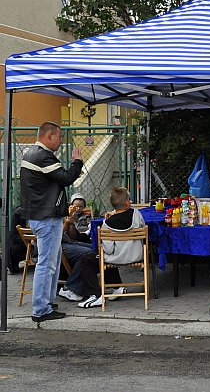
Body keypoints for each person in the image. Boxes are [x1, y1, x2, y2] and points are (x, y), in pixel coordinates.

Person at [20, 121, 83, 322]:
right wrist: (77, 162)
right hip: (47, 218)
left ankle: (47, 302)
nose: (61, 141)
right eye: (59, 137)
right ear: (49, 136)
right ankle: (40, 309)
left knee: (51, 263)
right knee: (46, 265)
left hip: (39, 216)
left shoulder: (30, 154)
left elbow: (54, 180)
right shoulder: (43, 156)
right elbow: (65, 178)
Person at [70, 187, 143, 308]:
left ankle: (95, 295)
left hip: (117, 258)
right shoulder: (136, 214)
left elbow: (108, 250)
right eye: (129, 199)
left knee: (87, 259)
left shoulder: (107, 224)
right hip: (137, 255)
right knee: (100, 256)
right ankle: (117, 287)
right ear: (126, 203)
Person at [57, 194, 94, 300]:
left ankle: (114, 285)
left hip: (69, 242)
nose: (77, 208)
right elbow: (57, 238)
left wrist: (71, 223)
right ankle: (71, 287)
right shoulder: (52, 214)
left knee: (97, 248)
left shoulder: (81, 216)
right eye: (75, 206)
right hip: (59, 245)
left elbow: (72, 237)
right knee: (89, 253)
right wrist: (66, 223)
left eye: (80, 206)